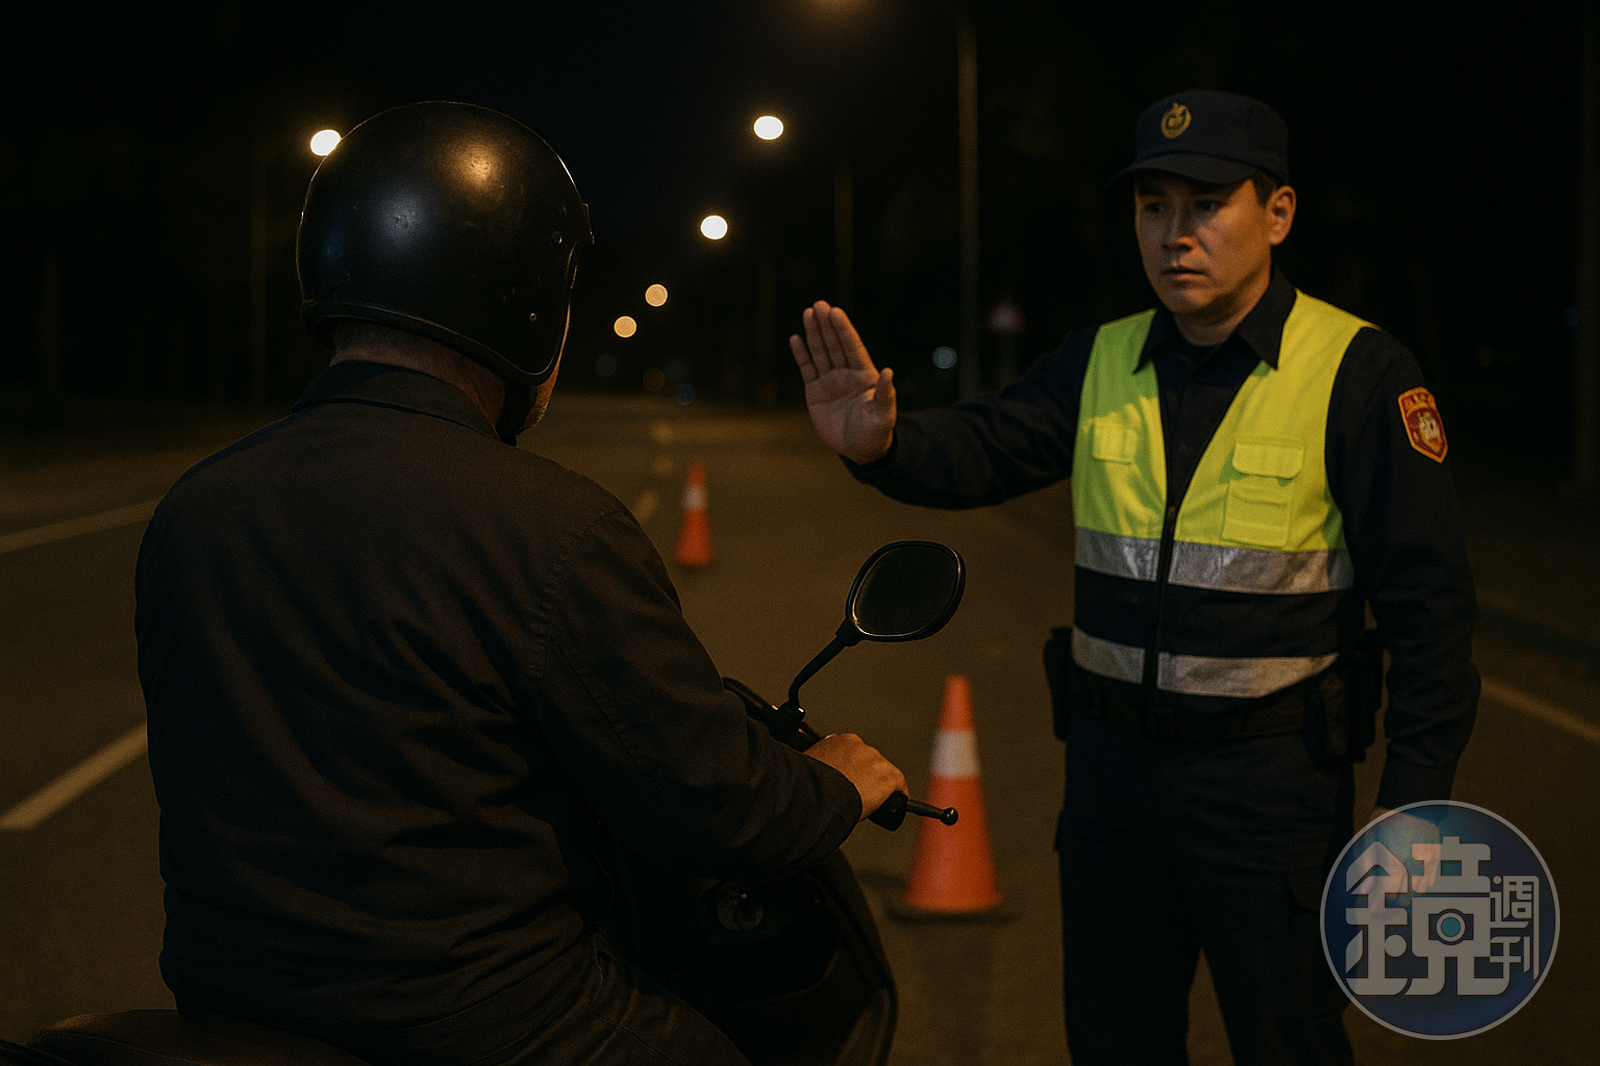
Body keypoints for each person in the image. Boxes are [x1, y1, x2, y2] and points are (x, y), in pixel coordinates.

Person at [135, 101, 905, 1066]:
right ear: (523, 300)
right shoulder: (551, 528)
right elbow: (708, 801)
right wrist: (832, 786)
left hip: (229, 1005)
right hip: (483, 1025)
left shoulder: (195, 510)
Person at [789, 89, 1478, 1065]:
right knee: (1115, 1044)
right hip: (1113, 785)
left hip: (1270, 791)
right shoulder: (1101, 358)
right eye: (1152, 206)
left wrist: (1414, 806)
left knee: (1287, 1042)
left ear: (1276, 212)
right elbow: (987, 443)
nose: (1173, 234)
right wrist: (886, 443)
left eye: (1204, 204)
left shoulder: (1358, 372)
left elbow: (1431, 616)